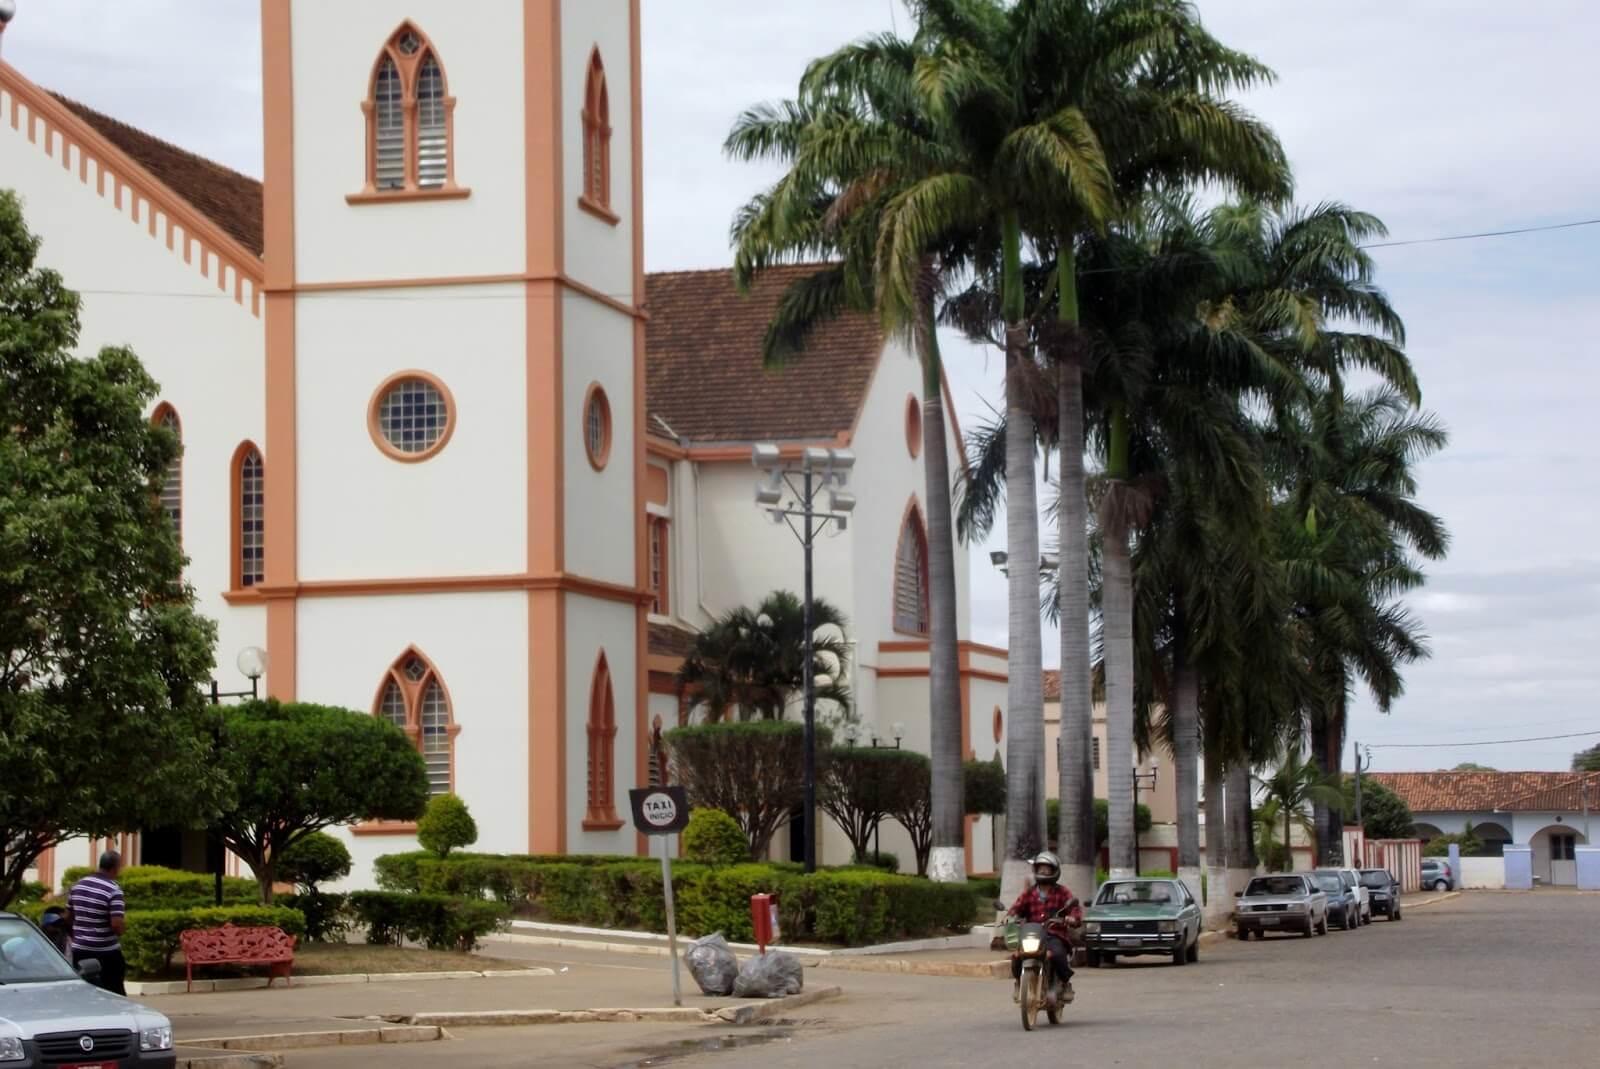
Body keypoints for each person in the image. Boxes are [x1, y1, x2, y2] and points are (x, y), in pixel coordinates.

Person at [1007, 851, 1082, 1002]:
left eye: (1047, 868)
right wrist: (1010, 916)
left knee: (1058, 954)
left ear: (1054, 871)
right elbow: (1017, 907)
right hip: (1032, 934)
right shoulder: (1030, 892)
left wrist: (1072, 918)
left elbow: (1074, 908)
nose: (1043, 871)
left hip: (1054, 934)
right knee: (1016, 956)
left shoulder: (1062, 892)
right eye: (1040, 868)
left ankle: (1066, 984)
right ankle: (1019, 983)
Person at [67, 849, 127, 995]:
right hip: (106, 953)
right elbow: (116, 925)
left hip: (80, 950)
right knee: (114, 993)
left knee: (85, 993)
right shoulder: (113, 890)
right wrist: (122, 930)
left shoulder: (77, 886)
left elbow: (69, 917)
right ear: (115, 867)